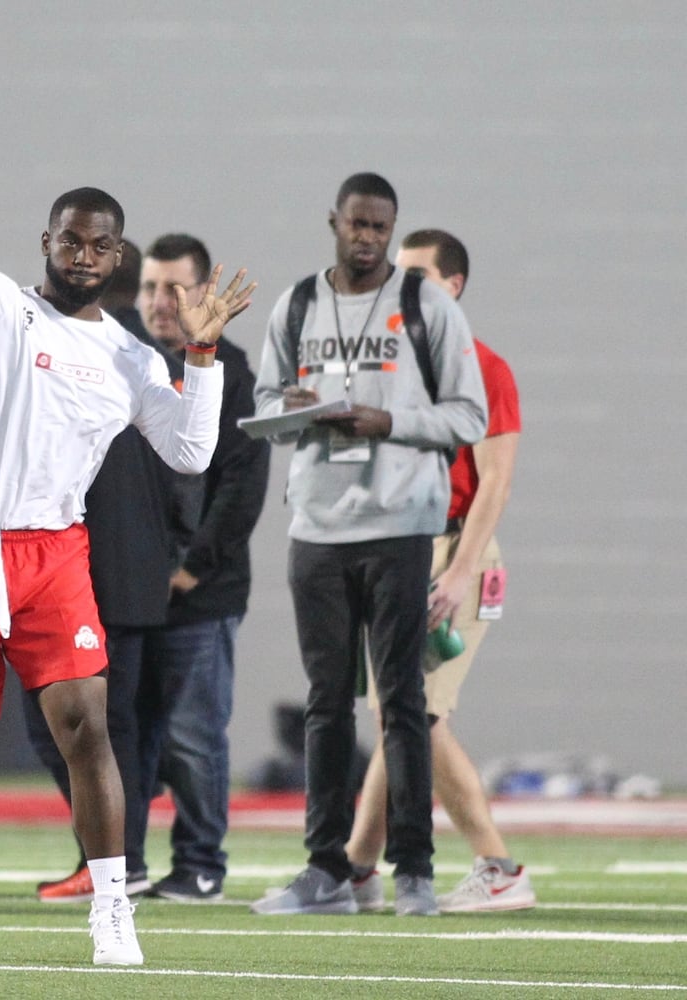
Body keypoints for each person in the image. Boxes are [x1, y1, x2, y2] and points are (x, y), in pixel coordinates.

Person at [0, 74, 255, 966]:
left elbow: (190, 451)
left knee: (86, 725)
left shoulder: (129, 357)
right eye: (71, 239)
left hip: (54, 551)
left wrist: (205, 354)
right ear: (48, 242)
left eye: (100, 245)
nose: (84, 254)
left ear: (119, 259)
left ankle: (113, 907)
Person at [250, 173, 486, 917]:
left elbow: (469, 416)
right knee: (325, 704)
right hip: (317, 525)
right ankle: (327, 871)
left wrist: (389, 421)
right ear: (334, 222)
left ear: (392, 228)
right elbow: (261, 407)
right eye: (356, 224)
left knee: (403, 703)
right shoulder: (296, 304)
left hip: (400, 525)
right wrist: (292, 411)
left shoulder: (426, 307)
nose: (368, 238)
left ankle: (413, 867)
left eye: (380, 228)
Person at [344, 228, 533, 913]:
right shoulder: (394, 365)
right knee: (397, 714)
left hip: (457, 552)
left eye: (418, 275)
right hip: (400, 547)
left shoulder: (485, 367)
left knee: (416, 714)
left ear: (452, 286)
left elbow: (495, 484)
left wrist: (458, 574)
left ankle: (498, 865)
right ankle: (358, 871)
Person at [23, 236, 180, 902]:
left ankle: (121, 860)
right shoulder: (149, 360)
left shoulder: (124, 358)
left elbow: (197, 466)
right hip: (125, 570)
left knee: (94, 728)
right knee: (113, 728)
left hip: (93, 567)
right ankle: (117, 857)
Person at [135, 233, 270, 902]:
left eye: (175, 289)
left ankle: (200, 864)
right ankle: (116, 862)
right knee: (126, 734)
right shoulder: (126, 361)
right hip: (128, 589)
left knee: (191, 735)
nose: (161, 302)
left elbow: (242, 483)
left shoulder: (233, 372)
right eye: (150, 288)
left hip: (198, 592)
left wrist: (190, 568)